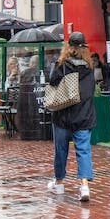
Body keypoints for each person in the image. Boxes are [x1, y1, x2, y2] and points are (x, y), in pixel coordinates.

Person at [46, 32, 97, 202]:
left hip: (63, 116)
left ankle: (59, 183)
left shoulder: (62, 65)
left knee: (60, 150)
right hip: (84, 116)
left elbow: (52, 81)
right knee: (83, 151)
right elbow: (90, 92)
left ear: (68, 47)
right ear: (84, 48)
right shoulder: (89, 69)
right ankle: (84, 186)